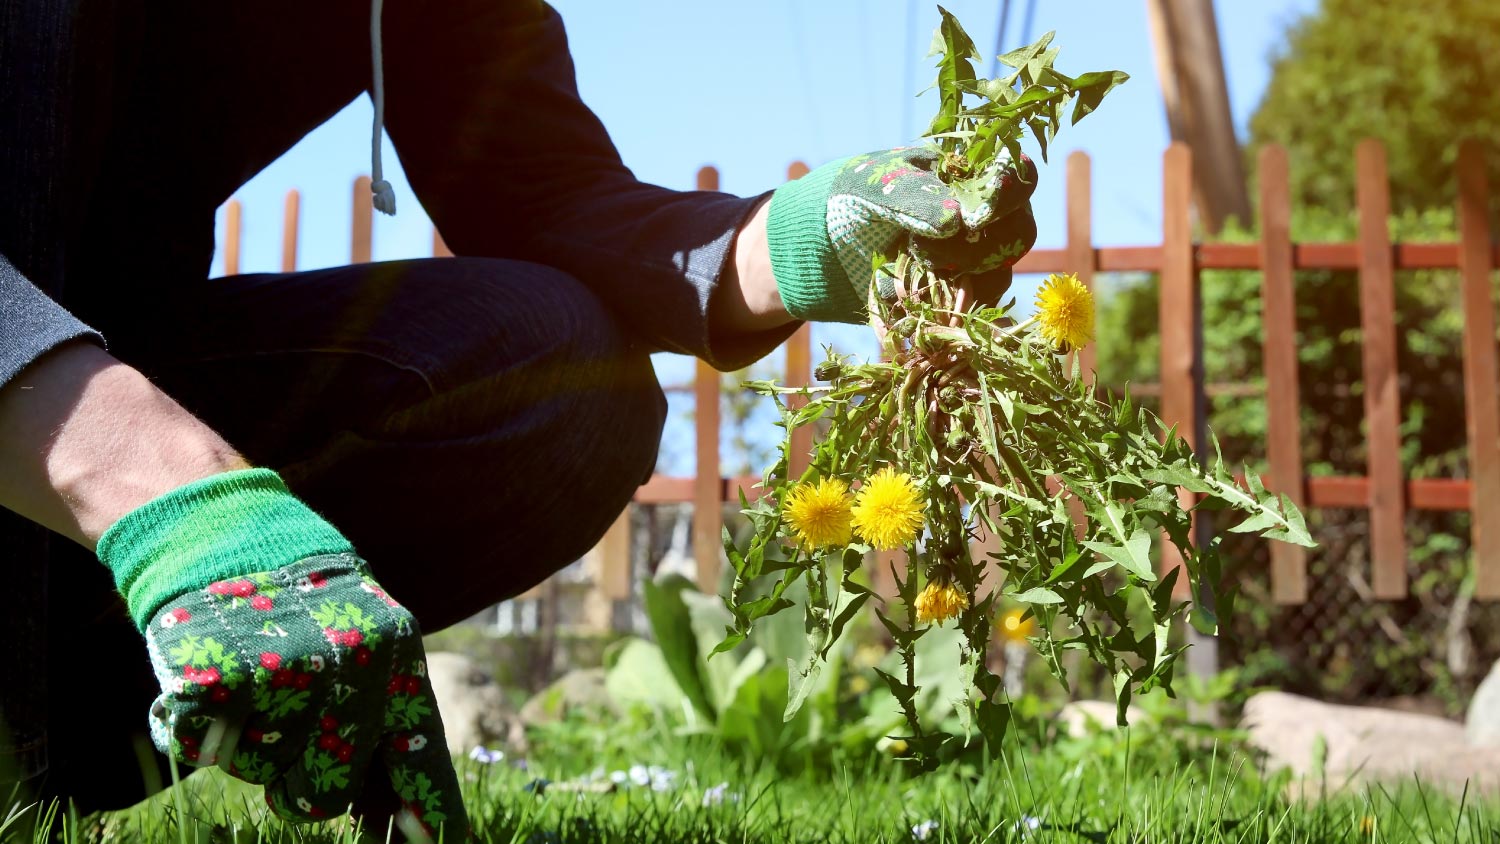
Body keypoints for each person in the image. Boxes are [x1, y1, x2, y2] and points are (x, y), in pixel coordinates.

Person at [0, 0, 1038, 839]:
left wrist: (805, 238)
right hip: (73, 439)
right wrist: (178, 501)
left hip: (68, 466)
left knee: (560, 372)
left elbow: (539, 190)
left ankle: (35, 742)